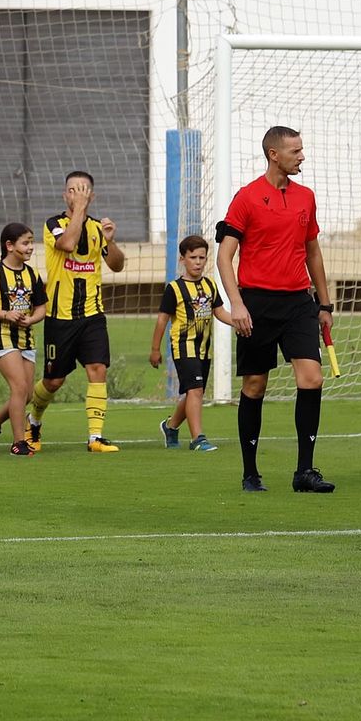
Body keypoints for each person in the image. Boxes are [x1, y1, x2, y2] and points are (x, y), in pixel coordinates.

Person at [214, 125, 336, 493]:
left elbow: (312, 252)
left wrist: (324, 303)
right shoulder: (247, 197)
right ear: (274, 154)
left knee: (312, 378)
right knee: (255, 384)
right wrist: (237, 304)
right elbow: (224, 256)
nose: (302, 156)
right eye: (295, 151)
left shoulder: (306, 197)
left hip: (299, 301)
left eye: (302, 150)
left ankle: (305, 472)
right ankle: (250, 473)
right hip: (256, 302)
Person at [32, 170, 125, 453]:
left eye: (83, 190)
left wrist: (110, 241)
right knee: (54, 380)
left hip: (92, 314)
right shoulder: (54, 224)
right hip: (60, 316)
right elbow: (68, 244)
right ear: (65, 195)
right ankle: (33, 421)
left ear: (92, 195)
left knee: (98, 369)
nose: (78, 195)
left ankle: (95, 437)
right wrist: (80, 211)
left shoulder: (99, 228)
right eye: (73, 190)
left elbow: (117, 265)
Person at [151, 234, 229, 452]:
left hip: (204, 349)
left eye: (202, 257)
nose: (197, 262)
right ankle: (198, 439)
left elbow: (219, 312)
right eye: (193, 257)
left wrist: (240, 321)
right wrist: (155, 349)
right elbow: (162, 320)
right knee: (195, 389)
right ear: (182, 259)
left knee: (195, 392)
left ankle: (171, 426)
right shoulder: (174, 289)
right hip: (183, 347)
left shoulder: (210, 285)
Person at [0, 223, 47, 456]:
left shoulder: (32, 274)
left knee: (26, 394)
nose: (30, 247)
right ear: (9, 245)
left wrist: (32, 319)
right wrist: (6, 315)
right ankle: (19, 442)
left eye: (31, 242)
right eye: (25, 242)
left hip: (26, 337)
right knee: (18, 387)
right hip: (1, 335)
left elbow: (41, 307)